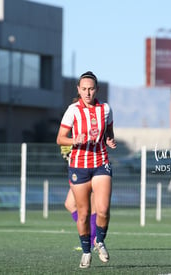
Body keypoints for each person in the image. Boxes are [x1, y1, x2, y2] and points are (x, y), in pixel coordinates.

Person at [56, 71, 117, 268]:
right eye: (84, 89)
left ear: (96, 89)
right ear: (79, 90)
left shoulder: (105, 109)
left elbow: (109, 132)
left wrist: (109, 139)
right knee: (82, 213)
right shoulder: (73, 110)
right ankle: (85, 251)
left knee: (103, 210)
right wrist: (75, 140)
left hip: (100, 162)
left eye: (91, 89)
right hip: (79, 165)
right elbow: (60, 138)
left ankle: (99, 240)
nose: (88, 93)